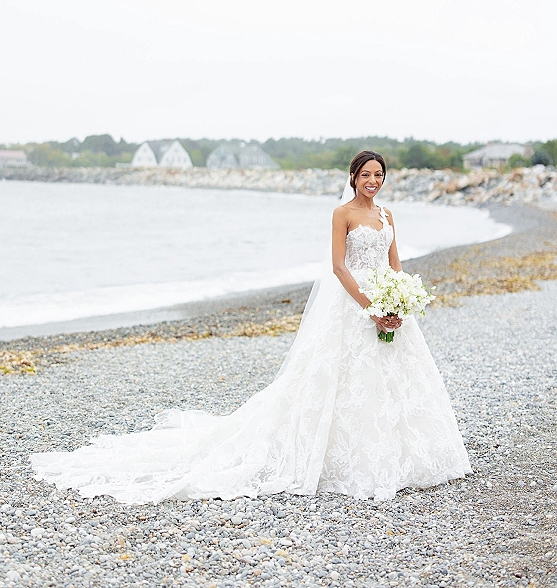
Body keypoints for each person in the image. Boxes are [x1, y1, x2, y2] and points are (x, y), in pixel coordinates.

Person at [31, 151, 471, 503]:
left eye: (379, 175)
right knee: (335, 379)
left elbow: (396, 263)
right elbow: (339, 267)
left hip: (389, 304)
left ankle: (404, 458)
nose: (373, 181)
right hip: (354, 305)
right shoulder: (342, 214)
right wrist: (370, 307)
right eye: (366, 175)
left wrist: (398, 302)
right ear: (353, 177)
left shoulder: (388, 215)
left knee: (396, 378)